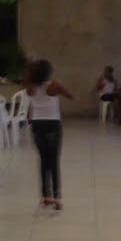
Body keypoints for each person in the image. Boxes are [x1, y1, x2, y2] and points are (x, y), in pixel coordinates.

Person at [24, 59, 73, 210]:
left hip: (37, 125)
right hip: (53, 125)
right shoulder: (54, 85)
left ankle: (45, 196)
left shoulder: (30, 87)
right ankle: (57, 197)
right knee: (54, 161)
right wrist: (61, 89)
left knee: (43, 161)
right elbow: (70, 96)